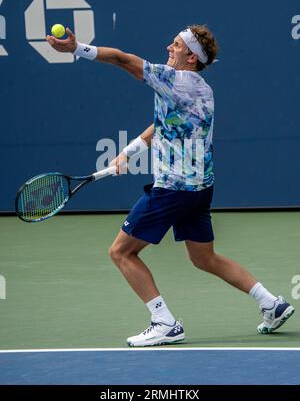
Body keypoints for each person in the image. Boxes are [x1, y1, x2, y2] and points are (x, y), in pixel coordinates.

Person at [47, 25, 295, 347]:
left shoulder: (170, 79)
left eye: (176, 45)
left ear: (191, 57)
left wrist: (78, 49)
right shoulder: (203, 90)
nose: (168, 47)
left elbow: (123, 60)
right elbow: (164, 123)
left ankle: (163, 321)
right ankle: (271, 303)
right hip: (201, 188)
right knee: (204, 258)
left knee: (121, 252)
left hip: (172, 189)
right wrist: (128, 152)